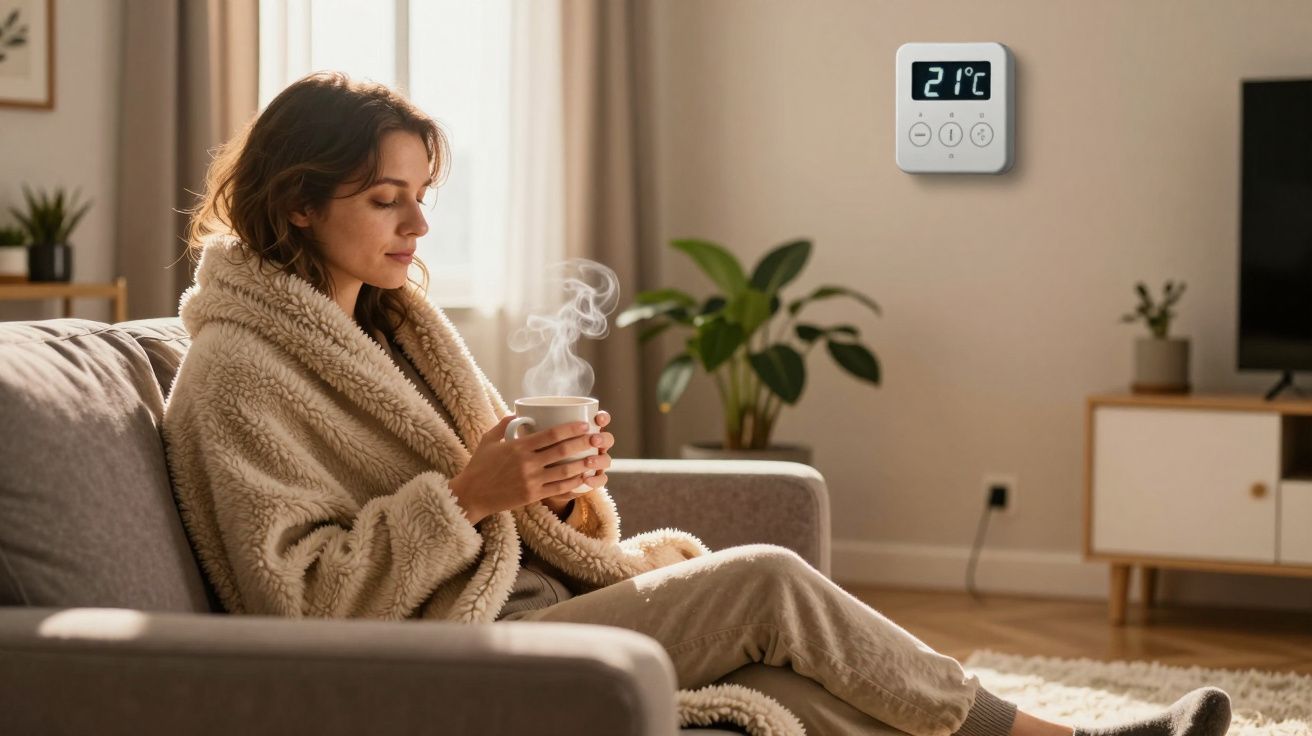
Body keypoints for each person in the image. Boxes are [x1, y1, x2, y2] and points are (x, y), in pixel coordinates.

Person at [161, 71, 1231, 736]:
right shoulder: (236, 375)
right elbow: (294, 604)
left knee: (796, 686)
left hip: (520, 604)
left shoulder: (392, 330)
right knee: (764, 584)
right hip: (434, 661)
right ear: (297, 202)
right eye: (386, 200)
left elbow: (499, 510)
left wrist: (565, 495)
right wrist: (469, 493)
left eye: (423, 198)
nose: (417, 228)